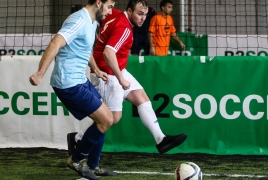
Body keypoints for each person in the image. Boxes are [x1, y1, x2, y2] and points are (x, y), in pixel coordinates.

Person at [67, 0, 187, 169]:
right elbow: (109, 53)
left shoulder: (114, 14)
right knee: (111, 118)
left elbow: (103, 17)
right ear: (129, 11)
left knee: (142, 98)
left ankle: (161, 139)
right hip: (108, 74)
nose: (143, 18)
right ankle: (78, 139)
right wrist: (121, 78)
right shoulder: (125, 28)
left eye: (145, 14)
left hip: (116, 70)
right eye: (139, 13)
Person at [29, 0, 117, 179]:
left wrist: (97, 70)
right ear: (98, 3)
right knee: (105, 120)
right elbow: (55, 44)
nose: (110, 12)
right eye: (109, 7)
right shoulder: (78, 20)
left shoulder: (92, 22)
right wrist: (40, 73)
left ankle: (93, 165)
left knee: (106, 119)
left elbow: (86, 50)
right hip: (68, 82)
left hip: (79, 79)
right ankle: (75, 160)